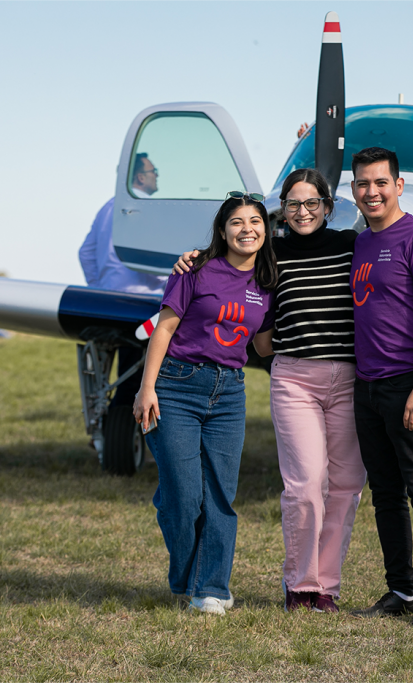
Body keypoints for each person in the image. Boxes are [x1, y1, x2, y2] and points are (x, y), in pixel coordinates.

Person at [175, 169, 368, 614]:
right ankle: (300, 586)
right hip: (294, 378)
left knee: (345, 486)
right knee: (304, 486)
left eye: (312, 204)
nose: (303, 212)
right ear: (283, 209)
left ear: (328, 206)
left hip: (349, 379)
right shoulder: (270, 255)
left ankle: (327, 588)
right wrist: (192, 258)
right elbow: (227, 270)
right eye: (294, 205)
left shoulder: (350, 247)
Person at [133, 192, 277, 616]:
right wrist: (147, 388)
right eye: (237, 222)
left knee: (219, 495)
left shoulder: (267, 284)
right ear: (222, 230)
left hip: (229, 391)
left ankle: (210, 588)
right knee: (183, 495)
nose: (247, 229)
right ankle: (190, 573)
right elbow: (164, 329)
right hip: (176, 384)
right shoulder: (195, 268)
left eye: (255, 221)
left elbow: (264, 346)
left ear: (265, 231)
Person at [346, 147, 413, 626]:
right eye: (363, 184)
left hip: (410, 383)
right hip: (366, 386)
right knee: (386, 493)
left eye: (380, 183)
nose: (372, 192)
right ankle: (400, 589)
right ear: (353, 190)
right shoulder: (360, 242)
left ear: (399, 185)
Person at [78, 197, 167, 294]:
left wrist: (97, 288)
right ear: (141, 180)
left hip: (107, 292)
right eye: (153, 179)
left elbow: (86, 253)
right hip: (144, 296)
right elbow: (151, 258)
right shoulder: (149, 206)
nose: (156, 180)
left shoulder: (108, 206)